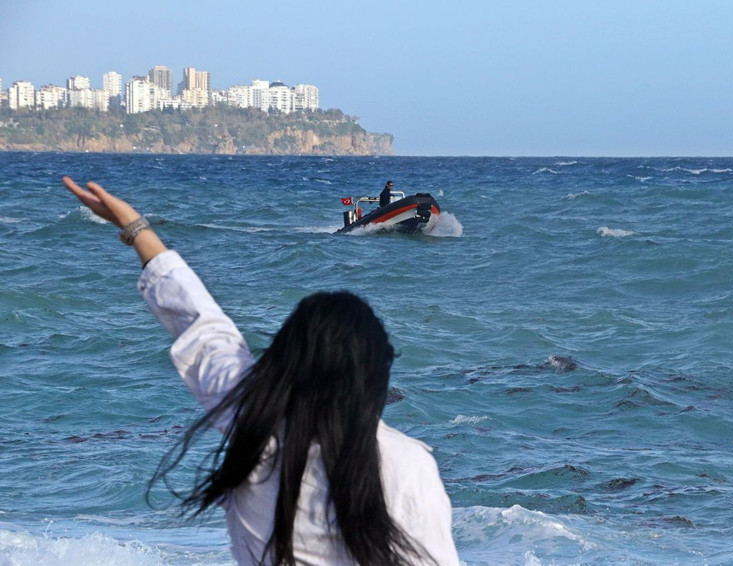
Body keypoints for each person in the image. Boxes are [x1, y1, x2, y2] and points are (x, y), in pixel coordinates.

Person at [61, 176, 460, 566]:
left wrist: (136, 229)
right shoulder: (408, 466)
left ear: (284, 360)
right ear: (377, 373)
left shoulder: (255, 434)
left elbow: (202, 328)